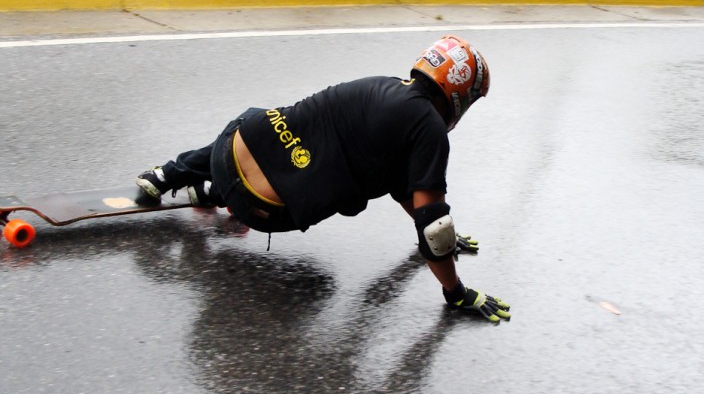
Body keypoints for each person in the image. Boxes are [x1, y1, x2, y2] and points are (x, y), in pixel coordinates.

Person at [136, 35, 511, 323]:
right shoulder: (429, 129)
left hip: (224, 151)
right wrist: (456, 290)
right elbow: (434, 227)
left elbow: (403, 185)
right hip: (259, 209)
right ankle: (218, 193)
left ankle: (169, 174)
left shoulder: (380, 84)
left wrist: (436, 232)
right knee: (320, 284)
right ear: (460, 93)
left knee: (264, 125)